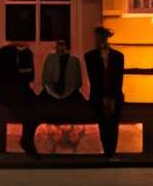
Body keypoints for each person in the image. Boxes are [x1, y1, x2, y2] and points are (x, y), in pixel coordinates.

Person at [0, 36, 39, 159]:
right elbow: (27, 76)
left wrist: (17, 74)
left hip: (11, 92)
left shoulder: (22, 53)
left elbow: (29, 76)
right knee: (31, 110)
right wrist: (20, 73)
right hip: (12, 93)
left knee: (33, 109)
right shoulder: (16, 53)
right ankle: (27, 140)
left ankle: (27, 140)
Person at [82, 26, 129, 157]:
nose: (100, 40)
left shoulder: (118, 56)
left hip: (115, 96)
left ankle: (111, 151)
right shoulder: (90, 56)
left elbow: (119, 80)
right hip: (98, 96)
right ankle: (107, 151)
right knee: (103, 122)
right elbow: (94, 79)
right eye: (98, 37)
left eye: (102, 37)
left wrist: (112, 98)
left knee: (113, 123)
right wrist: (103, 97)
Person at [36, 37, 87, 157]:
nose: (61, 47)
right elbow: (46, 80)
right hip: (51, 93)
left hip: (70, 93)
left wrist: (66, 92)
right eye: (59, 45)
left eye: (63, 45)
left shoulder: (74, 60)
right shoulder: (50, 58)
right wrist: (53, 92)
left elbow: (77, 82)